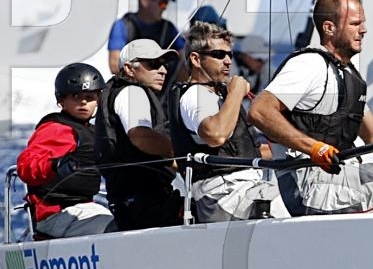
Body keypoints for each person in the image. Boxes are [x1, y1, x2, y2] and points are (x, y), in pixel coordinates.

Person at [249, 0, 373, 214]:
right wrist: (314, 148)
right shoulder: (310, 65)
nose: (364, 30)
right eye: (355, 24)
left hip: (339, 180)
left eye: (363, 23)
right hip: (312, 186)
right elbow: (260, 111)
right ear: (329, 28)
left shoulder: (348, 76)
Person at [166, 22, 269, 222]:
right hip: (223, 195)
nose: (228, 61)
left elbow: (240, 150)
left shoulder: (218, 95)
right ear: (196, 59)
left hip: (239, 191)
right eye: (219, 55)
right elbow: (216, 135)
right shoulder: (195, 95)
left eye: (230, 54)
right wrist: (237, 92)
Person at [16, 64, 113, 238]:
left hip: (84, 208)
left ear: (98, 100)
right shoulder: (56, 129)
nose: (83, 102)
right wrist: (55, 166)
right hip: (54, 215)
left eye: (89, 97)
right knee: (118, 228)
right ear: (61, 100)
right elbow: (26, 166)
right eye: (75, 96)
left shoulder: (94, 131)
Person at [97, 39, 181, 230]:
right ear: (129, 69)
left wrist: (184, 163)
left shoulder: (118, 92)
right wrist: (181, 150)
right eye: (153, 64)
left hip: (130, 203)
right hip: (147, 204)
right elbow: (140, 136)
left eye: (164, 64)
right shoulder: (133, 92)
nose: (163, 70)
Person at [107, 0, 181, 74]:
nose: (164, 8)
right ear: (145, 1)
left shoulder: (169, 28)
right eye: (162, 3)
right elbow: (114, 65)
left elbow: (184, 59)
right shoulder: (123, 25)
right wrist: (144, 75)